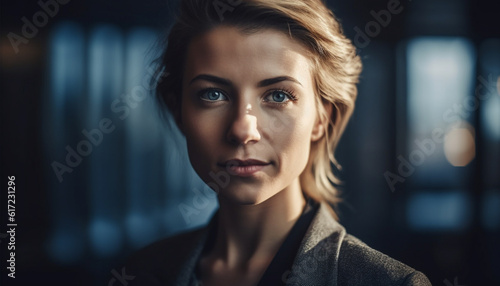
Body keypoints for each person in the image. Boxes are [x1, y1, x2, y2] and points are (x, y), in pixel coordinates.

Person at [124, 0, 431, 285]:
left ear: (322, 118)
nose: (244, 130)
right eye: (213, 94)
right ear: (179, 111)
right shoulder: (142, 272)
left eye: (278, 96)